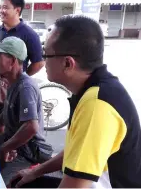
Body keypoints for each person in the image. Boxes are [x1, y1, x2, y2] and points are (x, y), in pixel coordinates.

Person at [8, 15, 141, 188]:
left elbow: (75, 185)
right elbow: (77, 152)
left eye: (46, 54)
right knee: (22, 182)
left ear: (67, 63)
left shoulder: (97, 105)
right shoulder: (91, 89)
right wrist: (36, 171)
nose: (42, 60)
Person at [0, 36, 51, 181]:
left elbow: (31, 127)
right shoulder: (11, 81)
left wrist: (5, 148)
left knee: (2, 180)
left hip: (28, 151)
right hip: (13, 141)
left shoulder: (25, 87)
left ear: (13, 61)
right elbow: (6, 111)